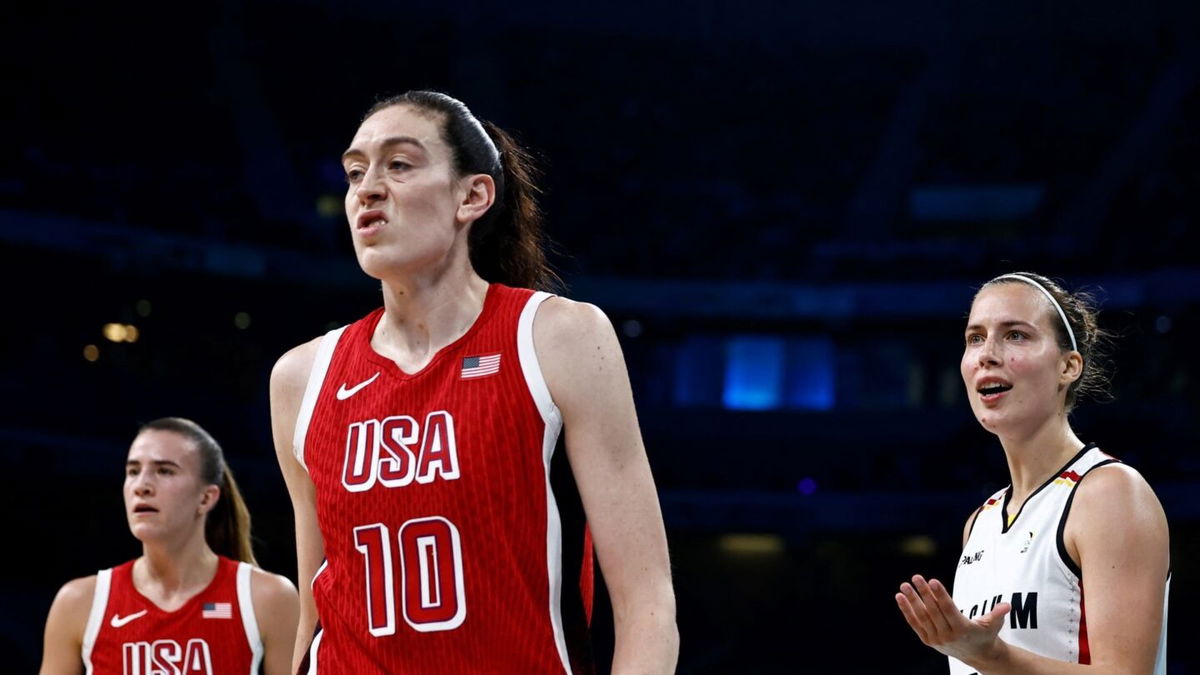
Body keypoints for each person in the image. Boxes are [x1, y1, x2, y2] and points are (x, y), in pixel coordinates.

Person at [269, 90, 678, 674]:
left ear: (473, 195)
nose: (368, 188)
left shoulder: (557, 338)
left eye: (400, 164)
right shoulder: (301, 376)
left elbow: (647, 604)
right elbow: (315, 608)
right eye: (356, 172)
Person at [895, 272, 1169, 673]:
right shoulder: (981, 522)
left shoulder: (1109, 493)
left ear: (1068, 366)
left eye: (1015, 335)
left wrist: (993, 657)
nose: (987, 353)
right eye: (975, 337)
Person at [39, 417, 300, 675]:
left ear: (206, 497)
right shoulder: (79, 603)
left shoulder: (268, 598)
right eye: (133, 471)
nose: (141, 486)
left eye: (164, 471)